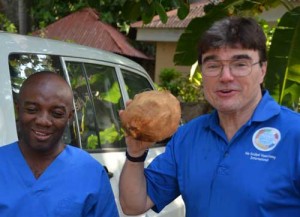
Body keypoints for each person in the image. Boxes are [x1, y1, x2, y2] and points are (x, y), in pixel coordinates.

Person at [119, 16, 300, 217]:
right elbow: (134, 205)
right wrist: (135, 153)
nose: (225, 77)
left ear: (262, 70)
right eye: (213, 66)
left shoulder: (294, 134)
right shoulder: (188, 136)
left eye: (240, 64)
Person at [0, 71, 119, 217]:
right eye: (32, 110)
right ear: (18, 110)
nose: (43, 121)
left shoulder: (90, 172)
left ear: (69, 117)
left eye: (56, 113)